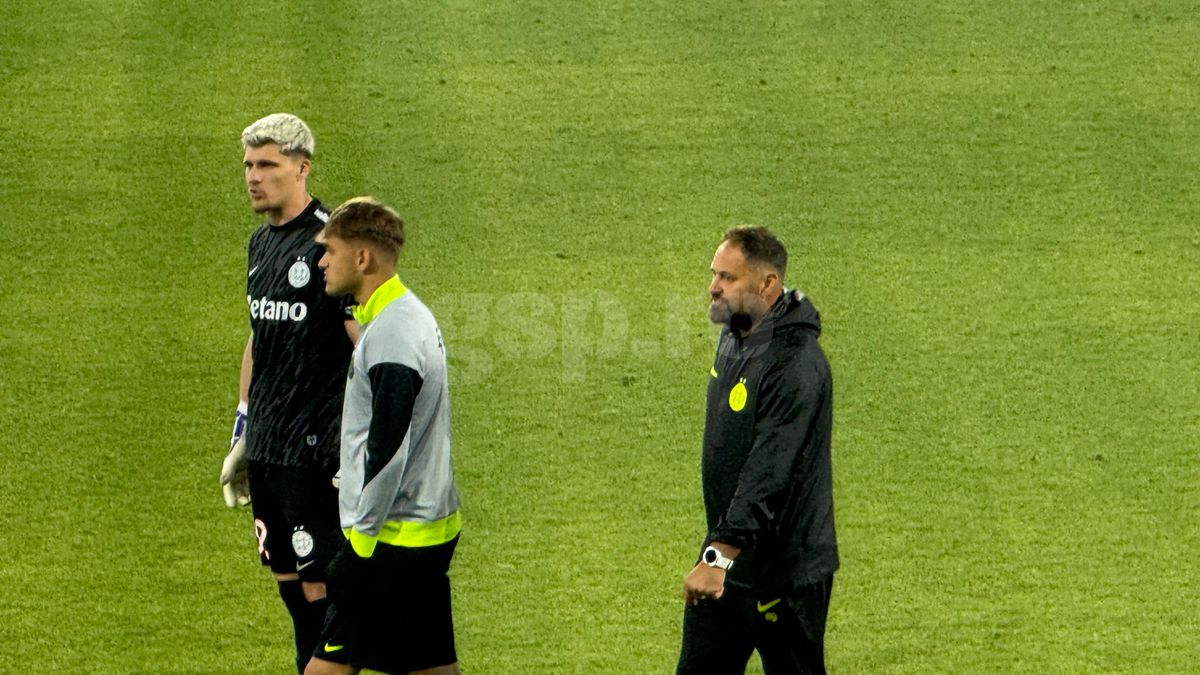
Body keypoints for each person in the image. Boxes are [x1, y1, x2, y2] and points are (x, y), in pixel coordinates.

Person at [219, 113, 358, 674]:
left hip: (316, 455)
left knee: (323, 598)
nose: (253, 177)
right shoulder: (260, 244)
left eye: (267, 165)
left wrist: (368, 439)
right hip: (270, 452)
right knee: (292, 593)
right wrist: (243, 428)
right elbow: (260, 337)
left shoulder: (331, 243)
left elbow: (369, 341)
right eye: (248, 165)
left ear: (302, 168)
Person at [306, 197, 462, 675]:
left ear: (362, 258)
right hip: (420, 531)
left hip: (392, 541)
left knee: (326, 670)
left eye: (330, 251)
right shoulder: (403, 316)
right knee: (430, 665)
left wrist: (359, 548)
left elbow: (388, 449)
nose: (321, 262)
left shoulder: (393, 333)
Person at [677, 226, 838, 674]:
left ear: (767, 284)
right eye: (714, 274)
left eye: (727, 278)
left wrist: (717, 556)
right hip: (733, 557)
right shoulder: (737, 333)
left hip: (784, 575)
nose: (713, 287)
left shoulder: (795, 363)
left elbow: (769, 469)